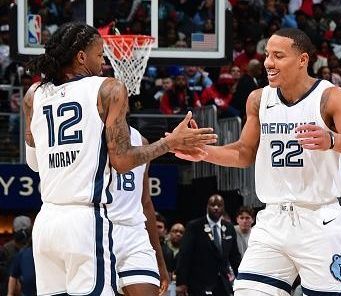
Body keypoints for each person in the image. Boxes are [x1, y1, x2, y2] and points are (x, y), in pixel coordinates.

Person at [174, 28, 341, 295]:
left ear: (302, 60)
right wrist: (205, 153)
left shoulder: (330, 97)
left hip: (319, 221)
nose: (269, 62)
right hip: (273, 220)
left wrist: (332, 140)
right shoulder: (259, 99)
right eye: (268, 54)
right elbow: (244, 153)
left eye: (278, 56)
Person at [23, 22, 217, 296]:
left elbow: (34, 158)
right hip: (85, 220)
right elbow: (123, 161)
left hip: (45, 222)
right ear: (81, 57)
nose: (102, 61)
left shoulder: (33, 95)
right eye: (99, 54)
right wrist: (169, 143)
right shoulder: (109, 89)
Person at [107, 126, 170, 296]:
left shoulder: (141, 141)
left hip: (134, 233)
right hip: (99, 229)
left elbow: (146, 202)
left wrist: (160, 262)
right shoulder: (91, 134)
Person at [176, 194, 241, 296]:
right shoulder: (194, 227)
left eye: (219, 205)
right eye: (213, 205)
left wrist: (242, 278)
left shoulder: (229, 228)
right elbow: (184, 256)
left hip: (223, 283)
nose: (216, 208)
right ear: (207, 206)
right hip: (199, 283)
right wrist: (181, 282)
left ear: (223, 208)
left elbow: (234, 257)